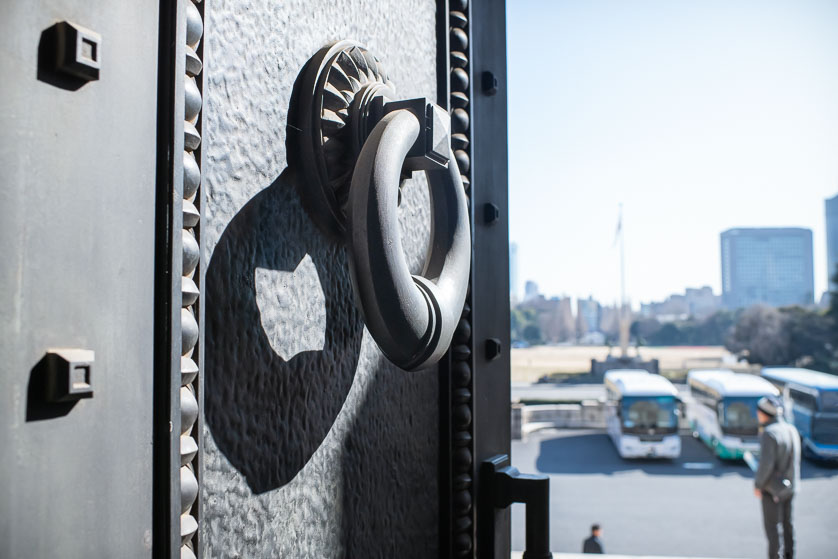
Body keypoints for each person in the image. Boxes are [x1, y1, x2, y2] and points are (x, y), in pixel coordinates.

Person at [753, 395, 800, 559]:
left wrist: (758, 485)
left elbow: (766, 465)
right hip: (791, 487)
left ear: (765, 413)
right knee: (788, 526)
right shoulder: (791, 429)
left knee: (773, 530)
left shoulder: (769, 433)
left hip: (772, 490)